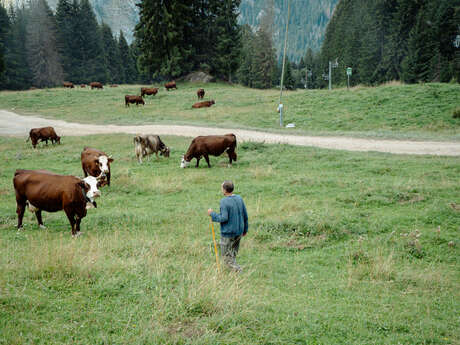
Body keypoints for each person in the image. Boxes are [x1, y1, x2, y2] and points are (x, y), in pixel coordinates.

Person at [208, 180, 248, 272]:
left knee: (226, 257)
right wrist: (245, 229)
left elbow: (223, 218)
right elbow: (245, 215)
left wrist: (212, 214)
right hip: (239, 231)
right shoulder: (239, 198)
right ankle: (234, 272)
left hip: (228, 232)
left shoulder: (224, 201)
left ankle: (238, 271)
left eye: (222, 188)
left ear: (225, 190)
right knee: (233, 253)